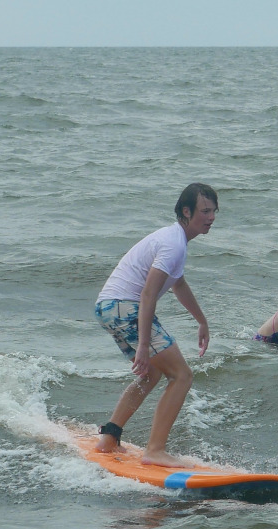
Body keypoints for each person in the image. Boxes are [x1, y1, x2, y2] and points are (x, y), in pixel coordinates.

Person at [93, 183, 218, 467]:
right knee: (182, 375)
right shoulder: (173, 244)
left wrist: (201, 320)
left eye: (214, 211)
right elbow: (148, 293)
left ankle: (109, 437)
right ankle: (155, 450)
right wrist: (144, 346)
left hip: (108, 307)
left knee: (152, 375)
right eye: (205, 211)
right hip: (126, 307)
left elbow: (179, 284)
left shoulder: (175, 241)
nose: (211, 217)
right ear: (186, 212)